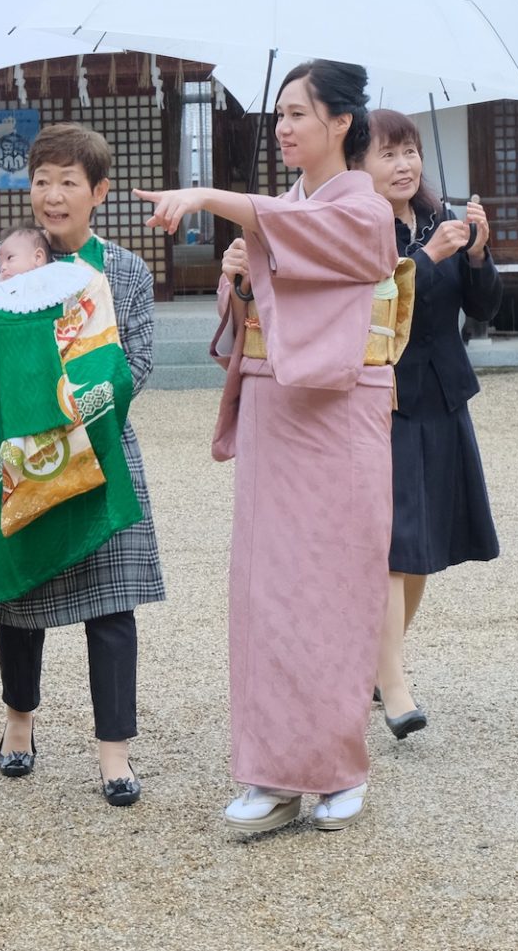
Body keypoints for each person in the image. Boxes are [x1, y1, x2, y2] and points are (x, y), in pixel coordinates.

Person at [136, 60, 397, 835]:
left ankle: (337, 766)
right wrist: (241, 278)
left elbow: (328, 246)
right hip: (274, 410)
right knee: (267, 592)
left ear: (341, 123)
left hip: (341, 412)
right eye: (278, 115)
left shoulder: (365, 208)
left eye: (298, 113)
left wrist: (219, 203)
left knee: (334, 588)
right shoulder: (284, 208)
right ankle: (272, 770)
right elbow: (257, 295)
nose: (284, 128)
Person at [0, 124, 164, 808]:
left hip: (105, 449)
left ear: (100, 192)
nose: (52, 196)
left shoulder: (124, 271)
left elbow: (137, 363)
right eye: (41, 181)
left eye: (68, 182)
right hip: (24, 455)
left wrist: (77, 409)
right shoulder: (9, 261)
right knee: (21, 598)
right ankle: (18, 722)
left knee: (113, 604)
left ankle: (114, 753)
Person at [354, 109, 501, 739]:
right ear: (359, 165)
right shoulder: (359, 229)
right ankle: (395, 684)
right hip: (387, 401)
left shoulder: (441, 221)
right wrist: (426, 258)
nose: (403, 164)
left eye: (408, 151)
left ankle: (371, 668)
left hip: (444, 396)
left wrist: (477, 255)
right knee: (392, 544)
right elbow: (372, 307)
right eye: (387, 154)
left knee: (422, 550)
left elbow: (485, 309)